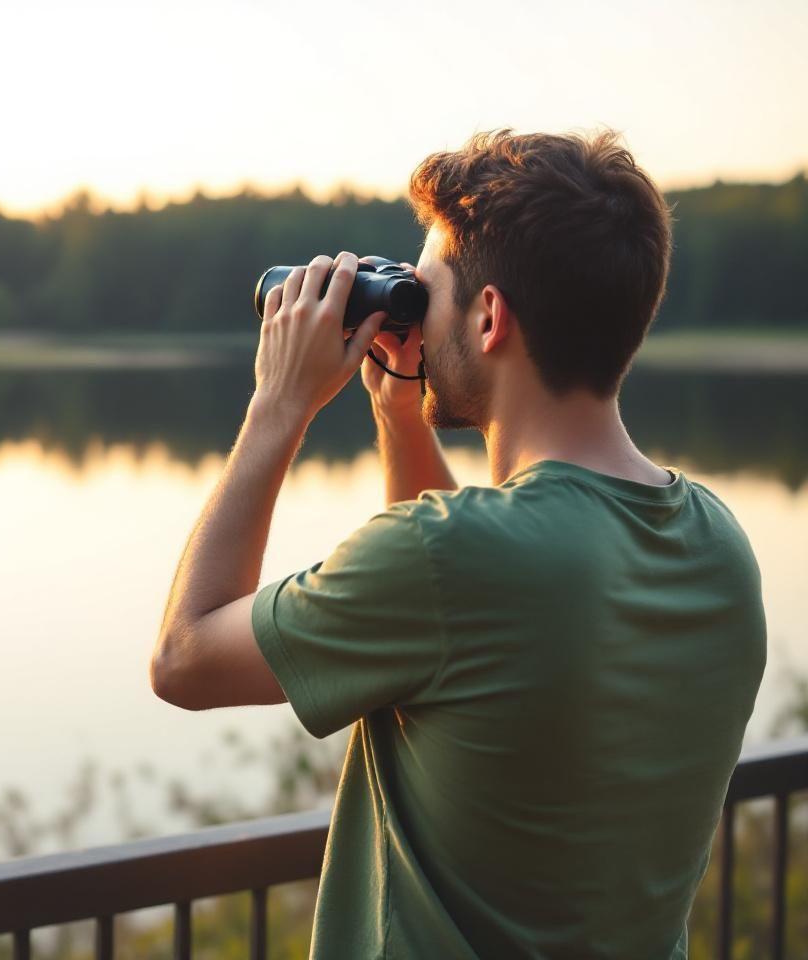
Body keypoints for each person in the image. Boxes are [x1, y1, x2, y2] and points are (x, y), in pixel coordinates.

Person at [149, 128, 766, 958]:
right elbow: (462, 630)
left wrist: (277, 405)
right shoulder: (718, 544)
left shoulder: (451, 560)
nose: (414, 311)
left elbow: (185, 659)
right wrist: (399, 410)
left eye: (424, 291)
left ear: (488, 317)